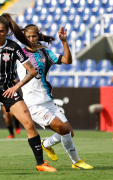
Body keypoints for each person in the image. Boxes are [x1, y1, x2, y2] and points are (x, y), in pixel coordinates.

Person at [0, 13, 56, 172]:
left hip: (8, 90)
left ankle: (40, 163)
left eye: (1, 31)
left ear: (7, 31)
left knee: (28, 122)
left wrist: (16, 86)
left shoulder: (13, 47)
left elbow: (32, 71)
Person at [16, 24, 94, 169]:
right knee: (64, 130)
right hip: (34, 104)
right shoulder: (19, 54)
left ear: (38, 36)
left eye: (33, 36)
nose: (31, 39)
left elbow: (67, 60)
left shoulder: (45, 53)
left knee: (69, 132)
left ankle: (46, 144)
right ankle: (76, 162)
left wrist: (64, 41)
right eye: (27, 37)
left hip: (48, 101)